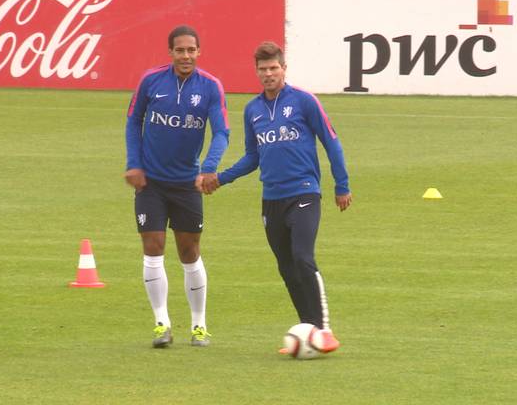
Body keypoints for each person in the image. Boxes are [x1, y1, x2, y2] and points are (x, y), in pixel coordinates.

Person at [201, 41, 351, 354]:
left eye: (274, 68)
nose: (268, 74)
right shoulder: (253, 110)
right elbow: (252, 157)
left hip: (305, 192)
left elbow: (331, 141)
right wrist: (221, 179)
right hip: (272, 199)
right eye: (263, 69)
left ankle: (324, 329)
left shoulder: (304, 101)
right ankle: (307, 328)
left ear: (284, 69)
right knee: (286, 267)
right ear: (256, 72)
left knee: (302, 257)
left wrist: (342, 184)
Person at [124, 25, 230, 348]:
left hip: (187, 184)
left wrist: (209, 169)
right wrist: (134, 163)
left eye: (191, 50)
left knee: (189, 251)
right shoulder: (150, 81)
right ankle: (161, 324)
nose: (186, 55)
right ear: (170, 52)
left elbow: (222, 132)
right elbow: (133, 120)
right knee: (153, 247)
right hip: (151, 183)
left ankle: (199, 325)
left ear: (199, 52)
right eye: (180, 50)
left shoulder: (211, 87)